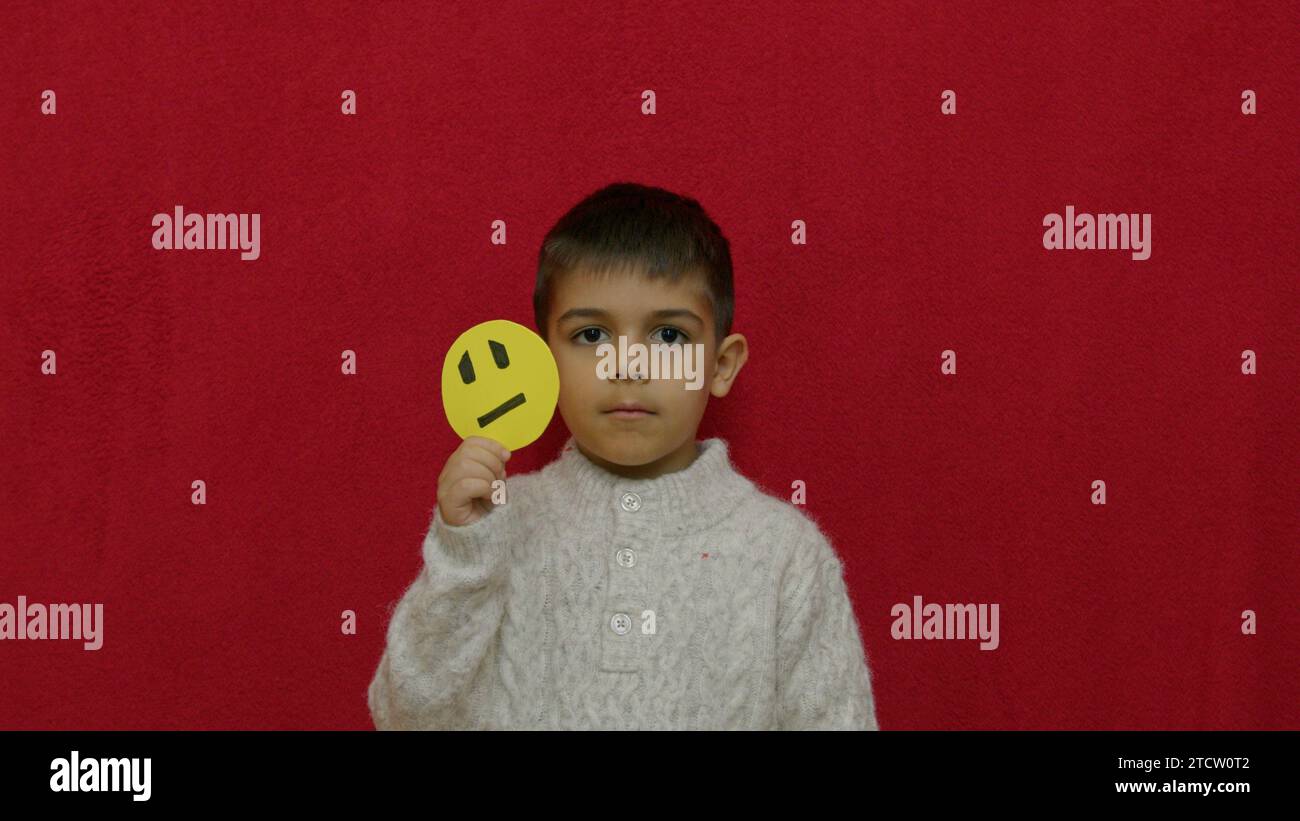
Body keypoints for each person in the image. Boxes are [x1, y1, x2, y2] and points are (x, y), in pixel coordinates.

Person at [367, 182, 879, 729]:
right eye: (591, 334)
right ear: (544, 364)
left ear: (721, 365)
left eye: (668, 335)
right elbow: (404, 715)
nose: (628, 365)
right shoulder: (493, 522)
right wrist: (463, 556)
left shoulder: (786, 557)